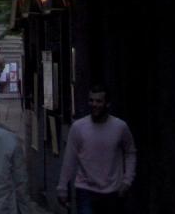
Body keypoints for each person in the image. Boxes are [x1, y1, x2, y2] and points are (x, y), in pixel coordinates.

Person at [56, 84, 136, 213]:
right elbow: (70, 159)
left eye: (99, 101)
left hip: (112, 191)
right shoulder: (78, 127)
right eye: (91, 100)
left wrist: (127, 181)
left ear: (107, 103)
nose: (94, 104)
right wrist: (62, 187)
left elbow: (130, 152)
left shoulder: (120, 127)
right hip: (85, 190)